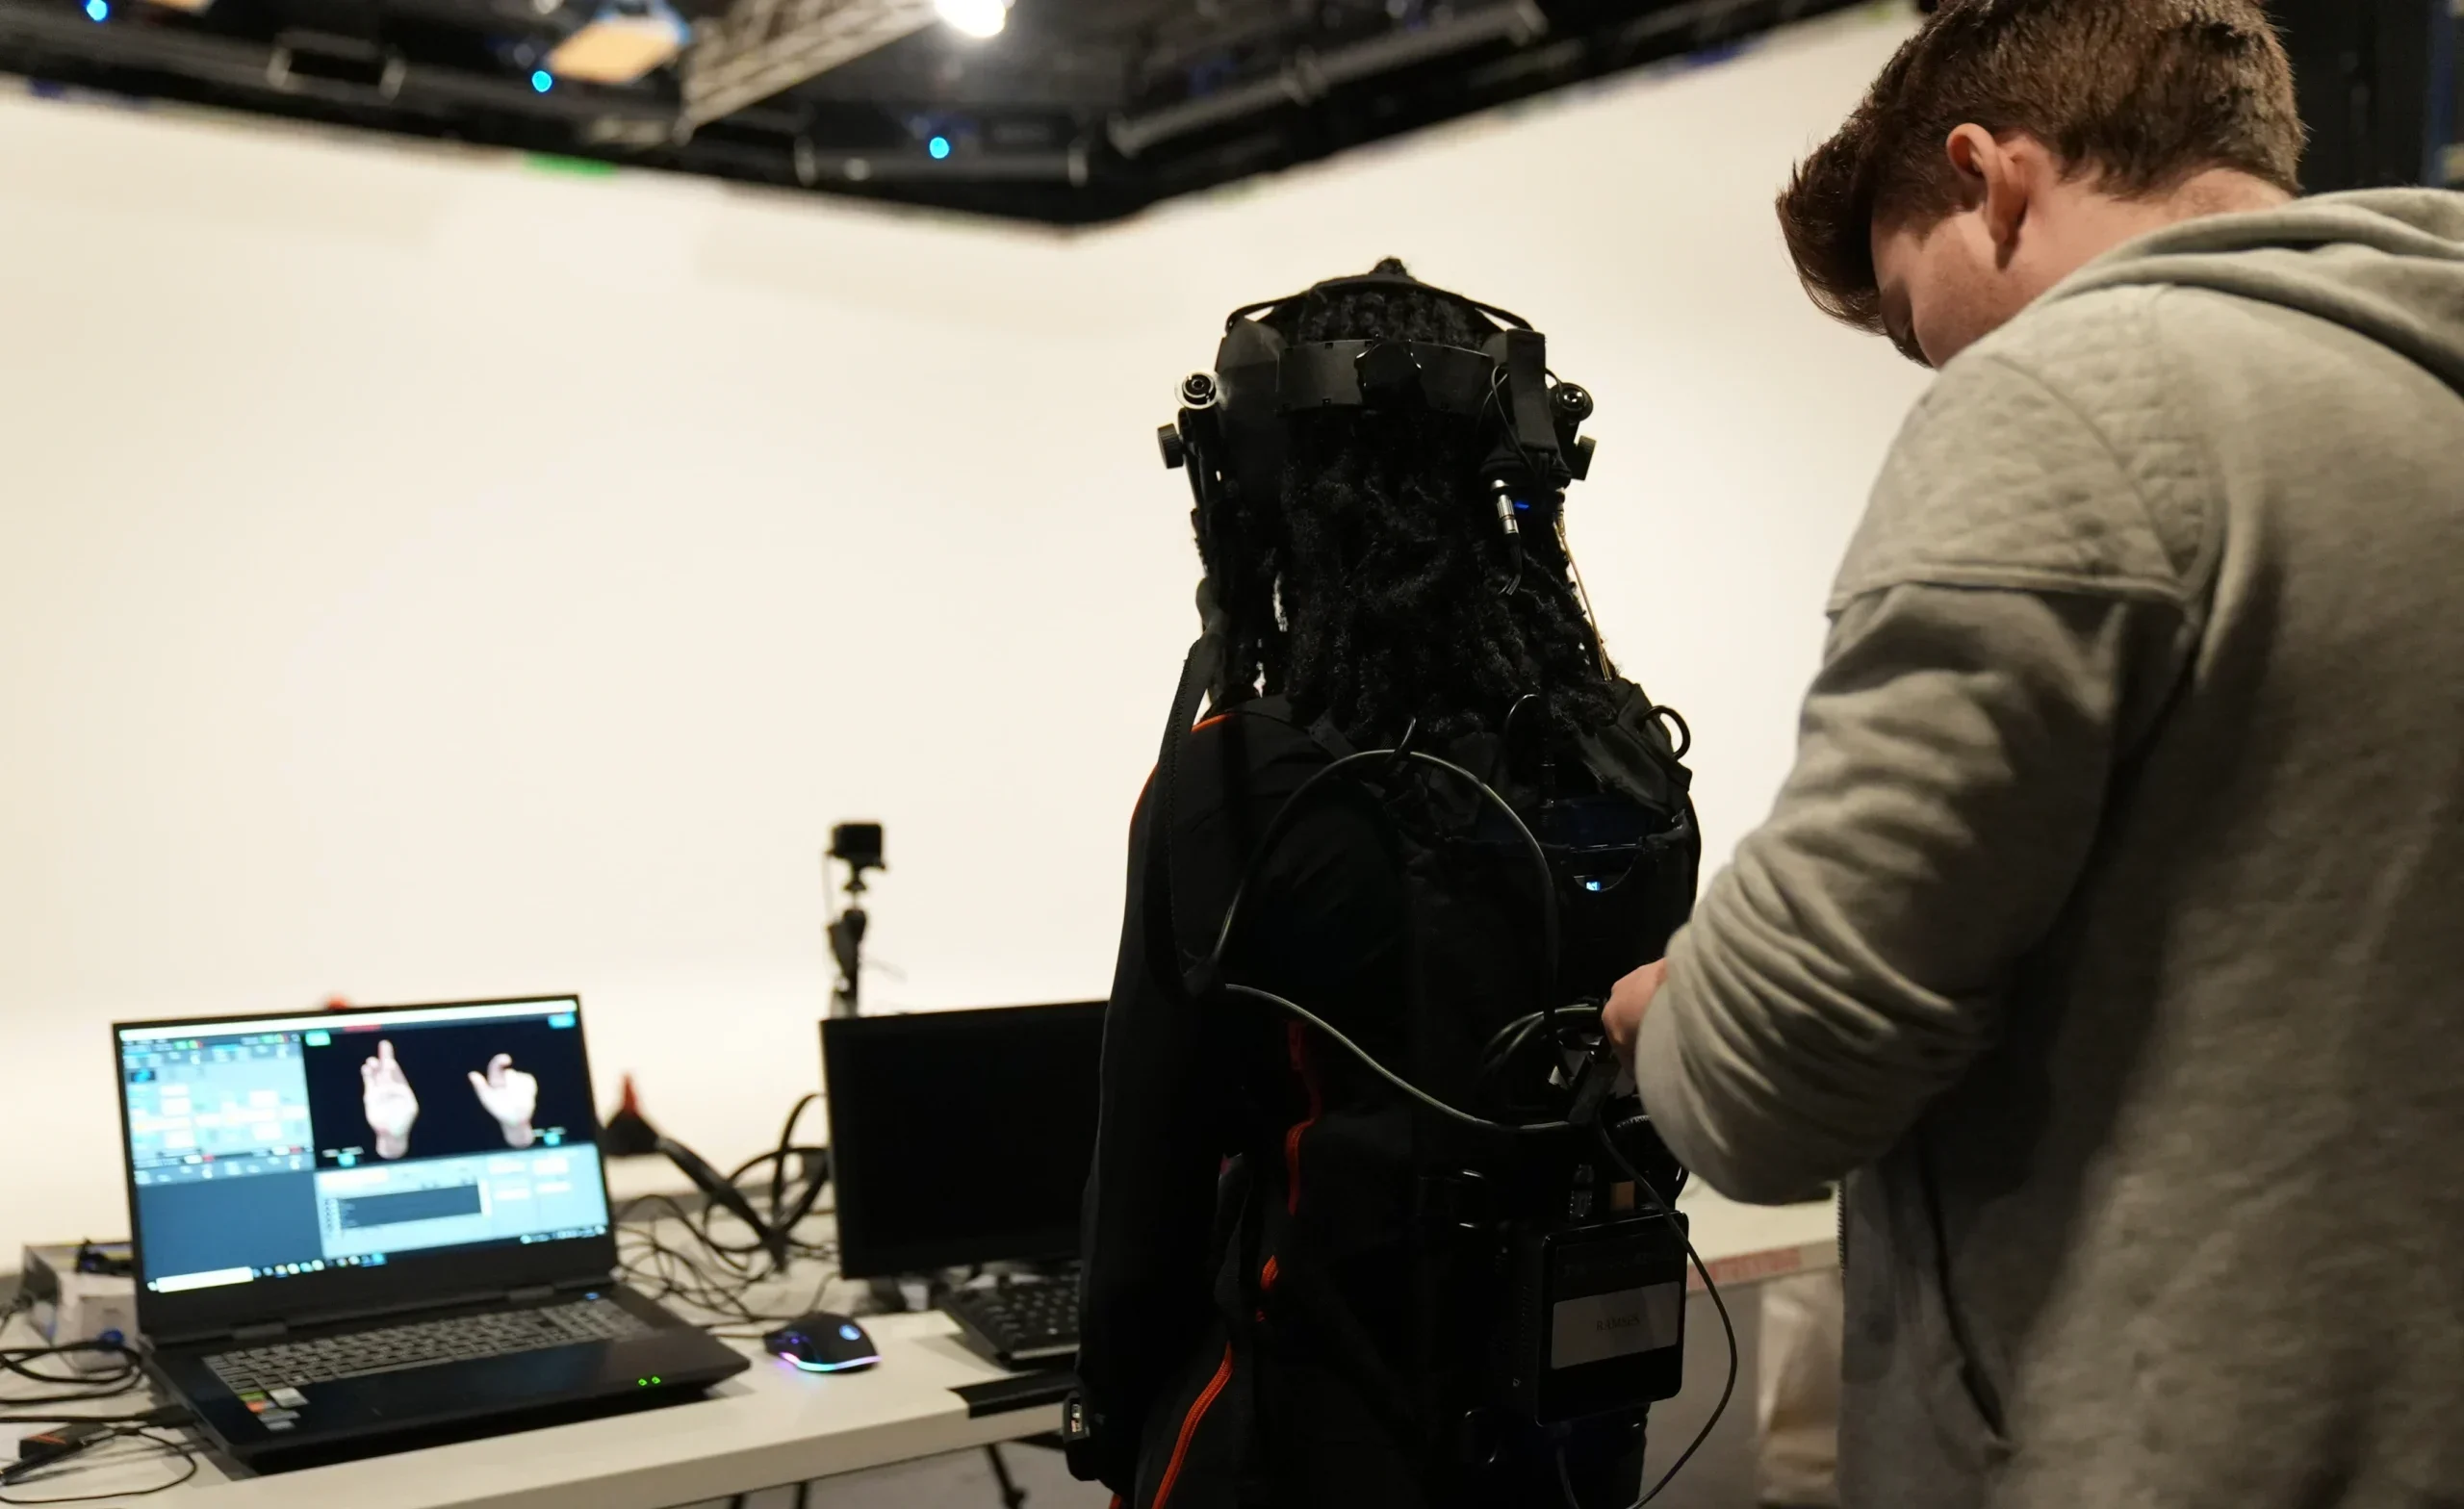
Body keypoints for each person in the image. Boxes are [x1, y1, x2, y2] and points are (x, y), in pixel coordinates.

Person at [1602, 3, 2464, 1507]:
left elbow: (1773, 1078)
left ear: (1990, 178)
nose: (1930, 367)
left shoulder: (2076, 397)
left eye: (1908, 305)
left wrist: (1671, 1010)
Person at [1076, 264, 1700, 1509]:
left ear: (1257, 483)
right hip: (1568, 1454)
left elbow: (1145, 1191)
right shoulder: (1632, 778)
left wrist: (1107, 1417)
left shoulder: (1244, 787)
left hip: (1288, 1450)